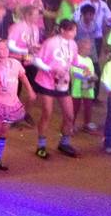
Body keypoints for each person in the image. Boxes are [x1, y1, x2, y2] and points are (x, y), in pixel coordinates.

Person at [32, 20, 89, 159]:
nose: (74, 33)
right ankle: (41, 145)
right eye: (71, 30)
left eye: (75, 30)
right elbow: (37, 60)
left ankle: (64, 143)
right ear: (62, 30)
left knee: (69, 116)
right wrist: (51, 69)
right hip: (47, 82)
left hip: (63, 83)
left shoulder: (73, 44)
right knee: (47, 113)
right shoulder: (51, 43)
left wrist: (83, 67)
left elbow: (74, 62)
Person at [0, 40, 35, 173]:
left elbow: (23, 77)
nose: (3, 51)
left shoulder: (15, 63)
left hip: (11, 103)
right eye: (0, 49)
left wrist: (30, 90)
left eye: (5, 48)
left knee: (4, 131)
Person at [71, 38, 99, 133]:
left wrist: (93, 76)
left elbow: (91, 72)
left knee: (88, 105)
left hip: (88, 84)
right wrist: (86, 76)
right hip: (77, 85)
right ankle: (71, 124)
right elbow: (73, 72)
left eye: (89, 49)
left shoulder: (89, 60)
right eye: (86, 48)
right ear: (79, 48)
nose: (88, 51)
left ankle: (87, 123)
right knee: (75, 106)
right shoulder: (75, 58)